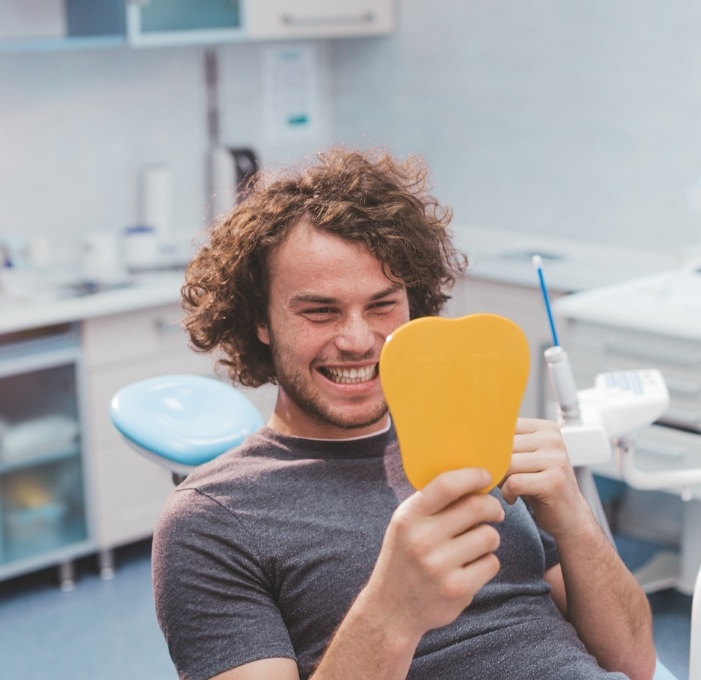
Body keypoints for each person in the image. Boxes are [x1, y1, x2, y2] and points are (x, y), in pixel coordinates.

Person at [152, 147, 656, 680]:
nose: (356, 340)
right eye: (320, 311)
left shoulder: (479, 444)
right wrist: (391, 611)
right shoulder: (211, 520)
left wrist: (574, 519)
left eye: (382, 305)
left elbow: (636, 663)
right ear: (260, 321)